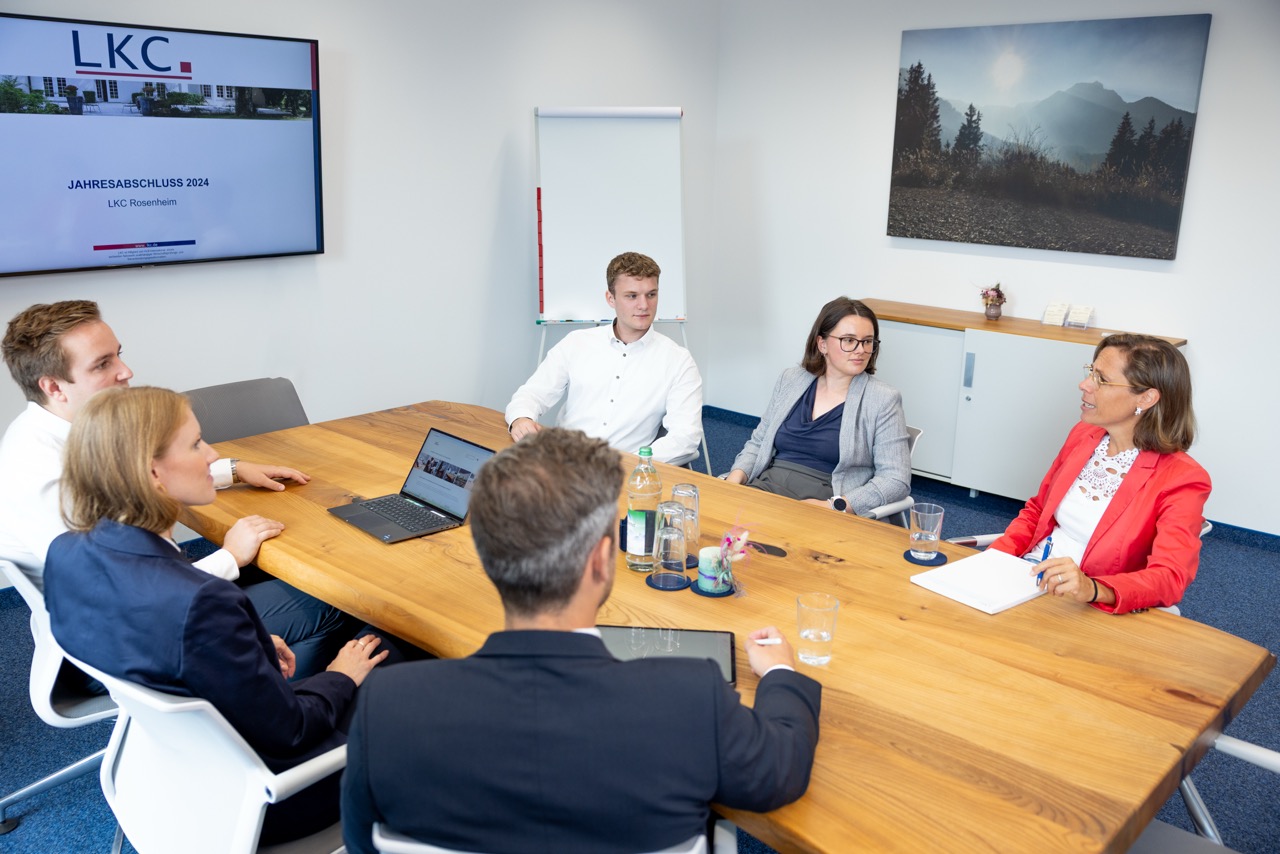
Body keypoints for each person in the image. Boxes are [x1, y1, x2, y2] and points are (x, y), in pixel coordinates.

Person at [341, 428, 821, 854]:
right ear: (601, 559)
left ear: (486, 557)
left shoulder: (387, 706)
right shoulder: (691, 700)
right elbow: (781, 770)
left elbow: (364, 842)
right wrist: (780, 673)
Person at [43, 386, 389, 845]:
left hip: (175, 768)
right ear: (153, 473)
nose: (212, 454)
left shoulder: (66, 553)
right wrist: (341, 676)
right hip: (273, 796)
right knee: (395, 648)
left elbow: (148, 635)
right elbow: (292, 731)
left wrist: (245, 645)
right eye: (195, 444)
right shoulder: (201, 603)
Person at [0, 300, 351, 678]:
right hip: (118, 646)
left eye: (118, 355)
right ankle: (297, 697)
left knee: (303, 571)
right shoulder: (45, 477)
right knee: (334, 600)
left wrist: (233, 471)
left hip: (138, 601)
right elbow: (133, 601)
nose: (126, 372)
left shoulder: (75, 429)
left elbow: (142, 474)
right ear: (54, 386)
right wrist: (230, 557)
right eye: (102, 364)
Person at [988, 333, 1210, 614]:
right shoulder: (1084, 434)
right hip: (1028, 576)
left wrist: (1094, 588)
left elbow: (1170, 577)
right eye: (1090, 372)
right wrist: (992, 560)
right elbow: (1037, 511)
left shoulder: (1182, 478)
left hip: (1089, 604)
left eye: (1101, 379)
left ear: (1146, 397)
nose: (1084, 385)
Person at [505, 251, 704, 464]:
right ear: (611, 298)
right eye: (632, 296)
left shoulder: (678, 361)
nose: (644, 305)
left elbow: (685, 437)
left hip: (624, 470)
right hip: (564, 463)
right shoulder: (577, 343)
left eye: (651, 294)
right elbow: (532, 394)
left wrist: (630, 464)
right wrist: (521, 418)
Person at [724, 297, 911, 517]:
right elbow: (759, 443)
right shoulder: (791, 379)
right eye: (849, 340)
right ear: (822, 344)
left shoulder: (883, 399)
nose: (860, 350)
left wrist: (836, 505)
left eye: (867, 341)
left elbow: (895, 479)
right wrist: (734, 480)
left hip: (823, 505)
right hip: (767, 489)